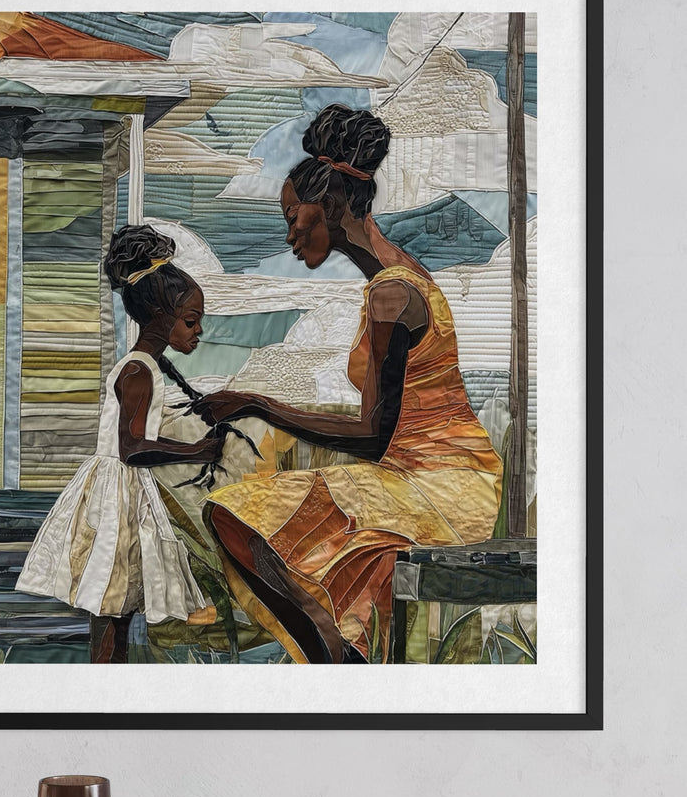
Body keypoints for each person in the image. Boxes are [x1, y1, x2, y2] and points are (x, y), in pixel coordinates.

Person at [195, 104, 504, 663]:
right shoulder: (392, 281)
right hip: (417, 475)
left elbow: (370, 438)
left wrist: (256, 403)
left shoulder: (392, 295)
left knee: (237, 513)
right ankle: (338, 659)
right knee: (254, 519)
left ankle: (336, 658)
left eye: (295, 217)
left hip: (447, 485)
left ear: (333, 206)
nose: (289, 234)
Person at [15, 225, 224, 664]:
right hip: (117, 496)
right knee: (112, 606)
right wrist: (196, 452)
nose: (199, 331)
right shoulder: (139, 372)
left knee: (117, 608)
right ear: (161, 317)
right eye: (191, 320)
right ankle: (105, 690)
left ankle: (109, 687)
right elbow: (132, 448)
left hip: (125, 491)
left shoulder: (145, 366)